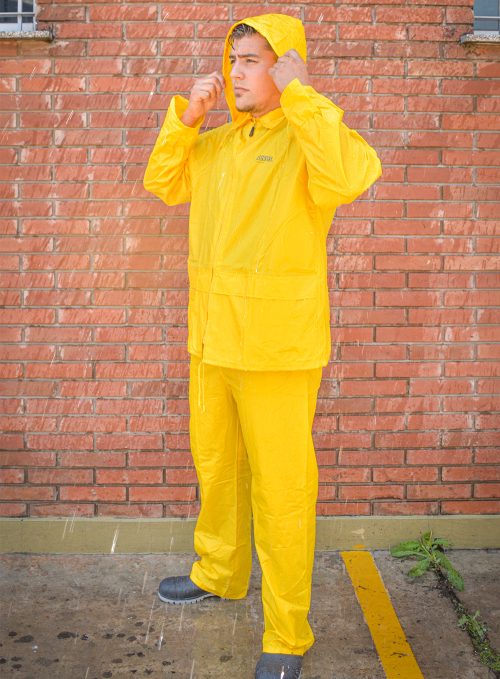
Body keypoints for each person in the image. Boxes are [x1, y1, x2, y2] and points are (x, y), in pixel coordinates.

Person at [143, 13, 381, 679]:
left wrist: (303, 93)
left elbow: (349, 176)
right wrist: (187, 120)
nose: (235, 73)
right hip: (212, 342)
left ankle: (286, 633)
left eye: (251, 60)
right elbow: (163, 182)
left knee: (282, 494)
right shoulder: (218, 145)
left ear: (285, 67)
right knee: (217, 469)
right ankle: (219, 571)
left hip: (278, 350)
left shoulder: (311, 139)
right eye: (232, 60)